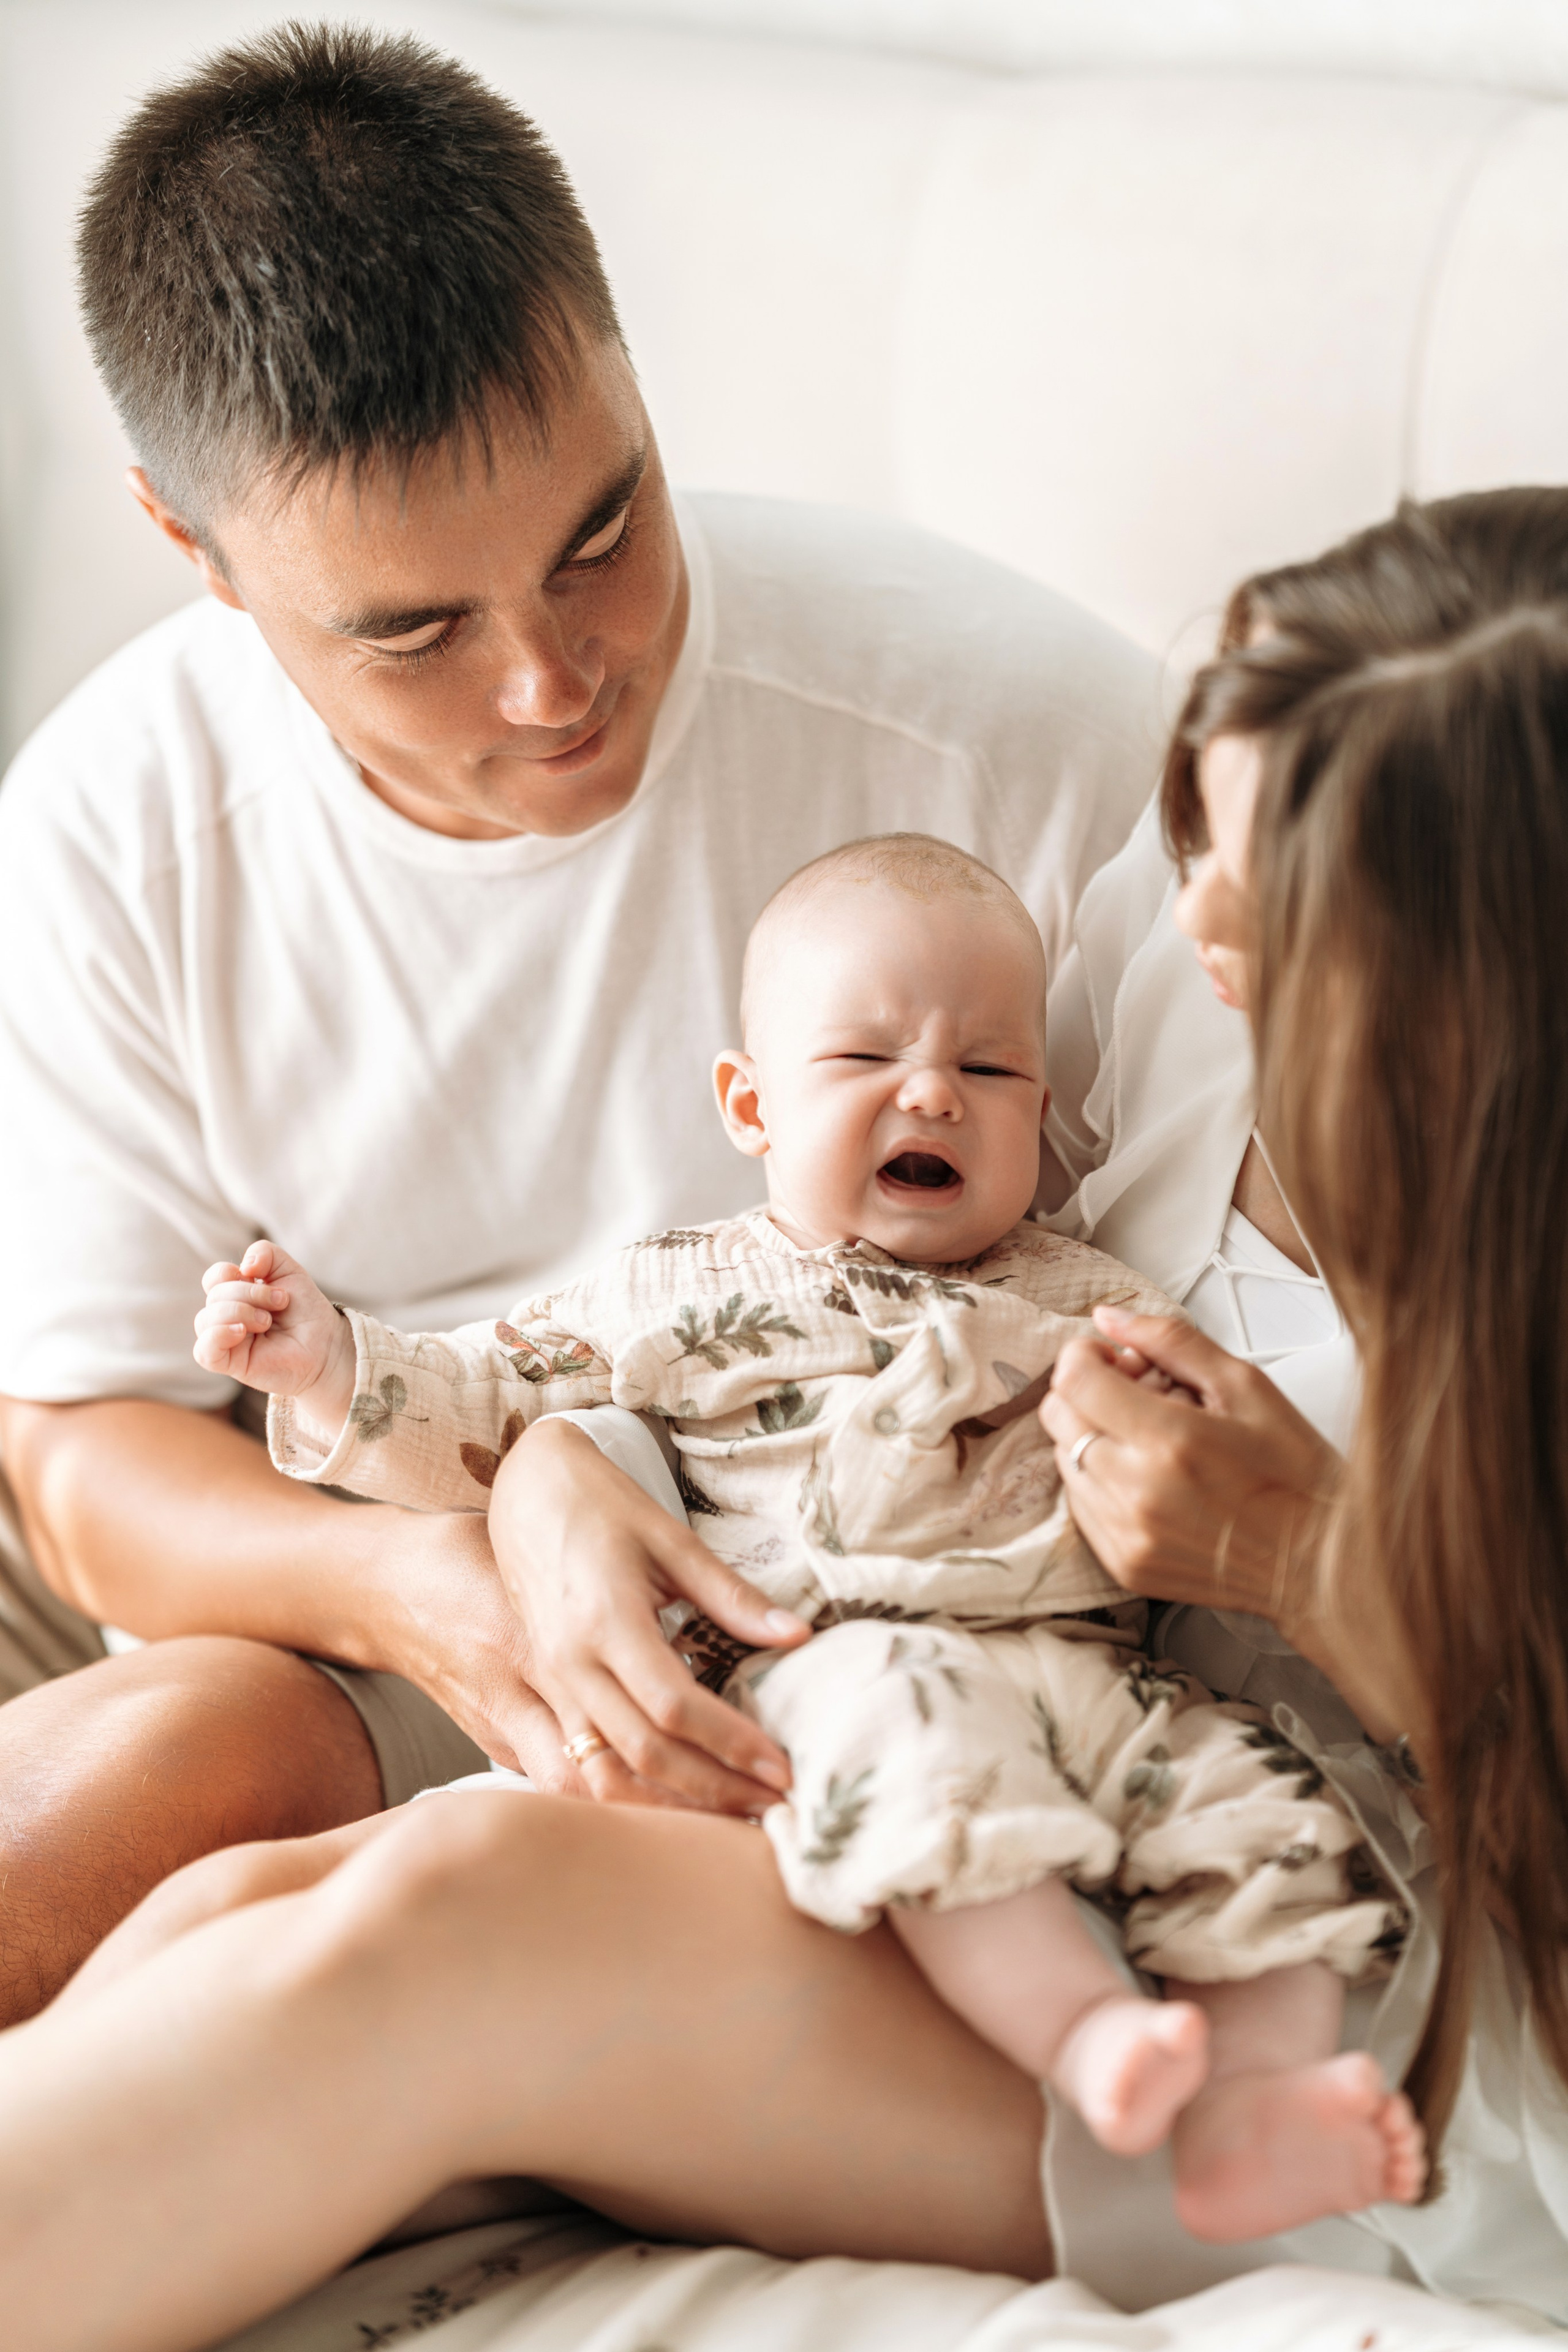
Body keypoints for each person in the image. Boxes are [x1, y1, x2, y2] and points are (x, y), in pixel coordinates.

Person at [2, 487, 1566, 2352]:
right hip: (972, 1816)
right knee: (234, 1898)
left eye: (1272, 887)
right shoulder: (1184, 991)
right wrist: (573, 1472)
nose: (1196, 907)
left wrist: (1306, 1562)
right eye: (1195, 831)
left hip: (1318, 2026)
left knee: (459, 1911)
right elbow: (856, 1314)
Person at [0, 23, 1158, 2020]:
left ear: (626, 365)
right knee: (129, 1818)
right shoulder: (122, 824)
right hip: (360, 1574)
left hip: (864, 1618)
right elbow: (85, 1455)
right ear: (191, 551)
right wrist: (440, 1583)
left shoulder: (1016, 743)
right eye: (414, 630)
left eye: (600, 533)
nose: (555, 682)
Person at [189, 830, 1420, 2243]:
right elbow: (480, 1405)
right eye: (862, 1062)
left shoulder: (1095, 1293)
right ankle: (1082, 2039)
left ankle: (1254, 2108)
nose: (932, 1095)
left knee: (1253, 1803)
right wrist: (328, 1361)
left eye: (992, 1071)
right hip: (829, 1666)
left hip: (1096, 1679)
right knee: (920, 1732)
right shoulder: (682, 1292)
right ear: (749, 1102)